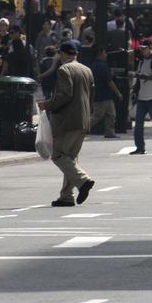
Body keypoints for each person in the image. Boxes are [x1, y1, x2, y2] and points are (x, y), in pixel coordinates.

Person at [36, 41, 96, 207]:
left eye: (59, 54)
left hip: (67, 121)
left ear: (62, 54)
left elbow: (64, 95)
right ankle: (66, 196)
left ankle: (83, 180)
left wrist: (46, 104)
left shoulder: (64, 70)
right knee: (70, 158)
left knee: (58, 155)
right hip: (83, 120)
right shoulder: (87, 70)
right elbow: (91, 96)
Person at [84, 44, 122, 139]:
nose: (106, 54)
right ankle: (82, 129)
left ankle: (109, 132)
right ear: (100, 53)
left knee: (111, 114)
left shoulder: (93, 65)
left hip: (103, 95)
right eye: (105, 52)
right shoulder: (102, 66)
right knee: (97, 116)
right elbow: (109, 81)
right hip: (103, 95)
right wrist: (118, 93)